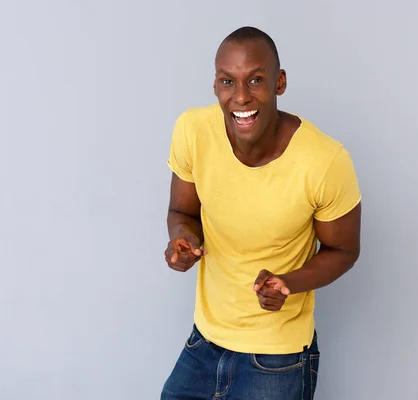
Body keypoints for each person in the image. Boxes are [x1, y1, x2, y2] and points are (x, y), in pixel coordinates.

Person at [160, 26, 362, 400]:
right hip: (203, 341)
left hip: (277, 357)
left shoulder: (325, 161)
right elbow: (181, 210)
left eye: (255, 80)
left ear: (279, 83)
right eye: (227, 81)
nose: (240, 97)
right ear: (215, 85)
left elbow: (344, 250)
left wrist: (290, 283)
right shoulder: (192, 130)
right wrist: (183, 238)